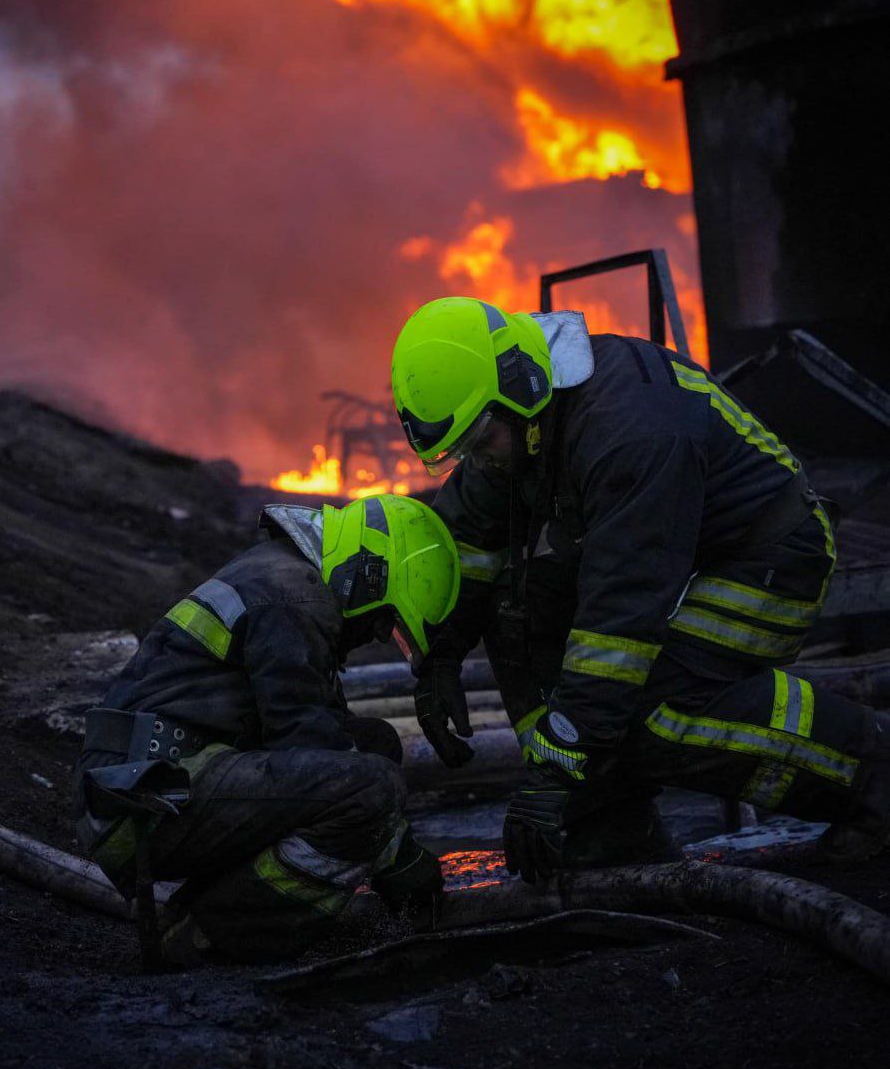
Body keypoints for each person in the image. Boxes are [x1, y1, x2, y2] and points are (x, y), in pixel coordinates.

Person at [390, 296, 889, 883]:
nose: (479, 461)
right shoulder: (520, 420)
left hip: (768, 560)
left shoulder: (630, 430)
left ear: (520, 392)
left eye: (480, 442)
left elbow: (621, 620)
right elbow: (468, 543)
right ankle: (607, 823)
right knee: (516, 613)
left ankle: (870, 777)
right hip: (670, 558)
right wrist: (442, 652)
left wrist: (553, 770)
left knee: (652, 710)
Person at [72, 493, 460, 965]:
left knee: (374, 745)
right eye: (385, 621)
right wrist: (399, 859)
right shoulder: (294, 596)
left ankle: (197, 912)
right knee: (370, 790)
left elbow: (327, 736)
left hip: (149, 781)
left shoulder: (286, 577)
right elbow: (309, 741)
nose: (376, 635)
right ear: (369, 575)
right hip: (145, 799)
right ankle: (213, 935)